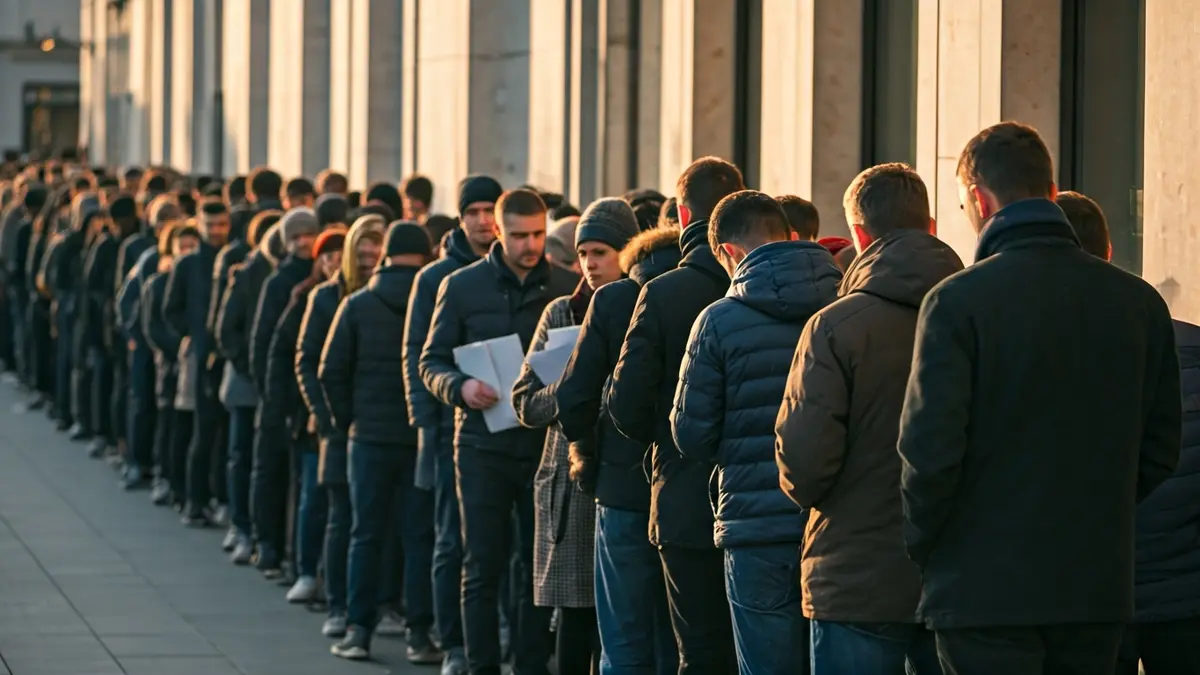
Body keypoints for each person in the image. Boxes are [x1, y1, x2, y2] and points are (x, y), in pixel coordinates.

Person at [897, 121, 1181, 675]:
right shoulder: (1138, 303)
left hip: (981, 587)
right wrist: (1095, 513)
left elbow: (928, 452)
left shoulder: (957, 303)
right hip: (1093, 586)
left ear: (979, 199)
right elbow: (1160, 448)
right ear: (1051, 191)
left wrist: (928, 546)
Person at [774, 164, 962, 674]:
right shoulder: (981, 314)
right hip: (960, 574)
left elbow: (803, 465)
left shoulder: (835, 326)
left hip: (854, 573)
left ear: (858, 235)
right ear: (931, 225)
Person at [668, 190, 839, 675]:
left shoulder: (718, 321)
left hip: (754, 527)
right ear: (790, 235)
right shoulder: (845, 304)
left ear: (728, 252)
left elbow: (690, 434)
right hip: (834, 524)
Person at [420, 188, 577, 674]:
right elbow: (430, 361)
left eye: (538, 234)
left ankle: (530, 665)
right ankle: (480, 665)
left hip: (542, 447)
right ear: (498, 232)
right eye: (519, 236)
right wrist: (460, 387)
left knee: (536, 567)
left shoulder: (567, 286)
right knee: (481, 564)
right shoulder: (461, 286)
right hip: (480, 444)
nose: (530, 245)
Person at [606, 156, 744, 674]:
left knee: (699, 651)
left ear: (682, 215)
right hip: (768, 501)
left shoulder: (663, 293)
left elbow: (625, 403)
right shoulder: (786, 289)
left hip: (683, 495)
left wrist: (665, 440)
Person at [1053, 191, 1200, 675]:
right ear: (1110, 250)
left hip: (1089, 597)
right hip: (1186, 597)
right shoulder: (1190, 347)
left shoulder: (1045, 355)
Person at [513, 198, 640, 675]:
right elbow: (525, 401)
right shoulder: (561, 313)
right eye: (583, 253)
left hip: (622, 476)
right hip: (568, 484)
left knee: (621, 619)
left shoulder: (643, 306)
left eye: (600, 252)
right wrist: (571, 388)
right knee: (574, 614)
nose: (589, 264)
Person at [555, 221, 681, 675]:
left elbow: (573, 398)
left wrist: (588, 455)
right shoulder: (707, 292)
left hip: (621, 486)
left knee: (623, 637)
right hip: (690, 491)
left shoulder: (613, 299)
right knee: (679, 637)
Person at [323, 221, 439, 663]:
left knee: (365, 535)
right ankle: (419, 634)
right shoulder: (434, 299)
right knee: (419, 539)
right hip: (419, 438)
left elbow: (330, 370)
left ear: (387, 254)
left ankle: (358, 629)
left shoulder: (356, 305)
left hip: (368, 438)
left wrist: (349, 420)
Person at [403, 174, 502, 675]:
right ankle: (453, 644)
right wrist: (425, 422)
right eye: (473, 212)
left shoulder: (516, 271)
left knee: (501, 545)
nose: (483, 221)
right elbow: (418, 354)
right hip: (450, 428)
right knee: (451, 540)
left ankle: (497, 637)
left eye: (489, 210)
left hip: (510, 429)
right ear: (460, 219)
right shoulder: (436, 278)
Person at [298, 216, 384, 638]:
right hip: (337, 428)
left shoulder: (392, 295)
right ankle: (337, 605)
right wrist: (329, 416)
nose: (368, 256)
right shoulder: (325, 297)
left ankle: (374, 604)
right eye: (362, 248)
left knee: (374, 524)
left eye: (376, 247)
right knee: (341, 518)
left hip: (376, 426)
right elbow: (307, 362)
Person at [265, 226, 345, 605]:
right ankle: (306, 569)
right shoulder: (307, 298)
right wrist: (285, 408)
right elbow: (284, 355)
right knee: (312, 496)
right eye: (327, 255)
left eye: (340, 254)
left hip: (348, 416)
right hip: (308, 415)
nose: (334, 262)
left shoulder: (357, 296)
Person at [249, 207, 319, 575]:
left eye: (309, 234)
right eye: (297, 236)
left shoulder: (319, 279)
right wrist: (270, 392)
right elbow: (263, 343)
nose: (304, 242)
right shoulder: (277, 283)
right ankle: (267, 543)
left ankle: (291, 553)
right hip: (279, 394)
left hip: (305, 396)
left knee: (299, 481)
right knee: (271, 472)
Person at [215, 210, 285, 563]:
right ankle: (241, 525)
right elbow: (226, 330)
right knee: (242, 455)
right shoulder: (246, 275)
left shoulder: (291, 277)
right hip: (245, 383)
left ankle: (263, 533)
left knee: (267, 462)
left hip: (275, 383)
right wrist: (250, 366)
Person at [163, 198, 231, 526]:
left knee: (227, 436)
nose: (216, 231)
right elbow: (171, 309)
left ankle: (221, 498)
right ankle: (195, 500)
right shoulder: (188, 264)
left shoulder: (235, 258)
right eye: (210, 226)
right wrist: (191, 334)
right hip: (202, 358)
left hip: (230, 358)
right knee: (202, 433)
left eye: (221, 225)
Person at [118, 196, 183, 491]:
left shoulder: (184, 261)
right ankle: (138, 462)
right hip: (146, 343)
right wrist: (134, 336)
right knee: (143, 402)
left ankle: (161, 468)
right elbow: (127, 301)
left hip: (170, 347)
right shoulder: (150, 259)